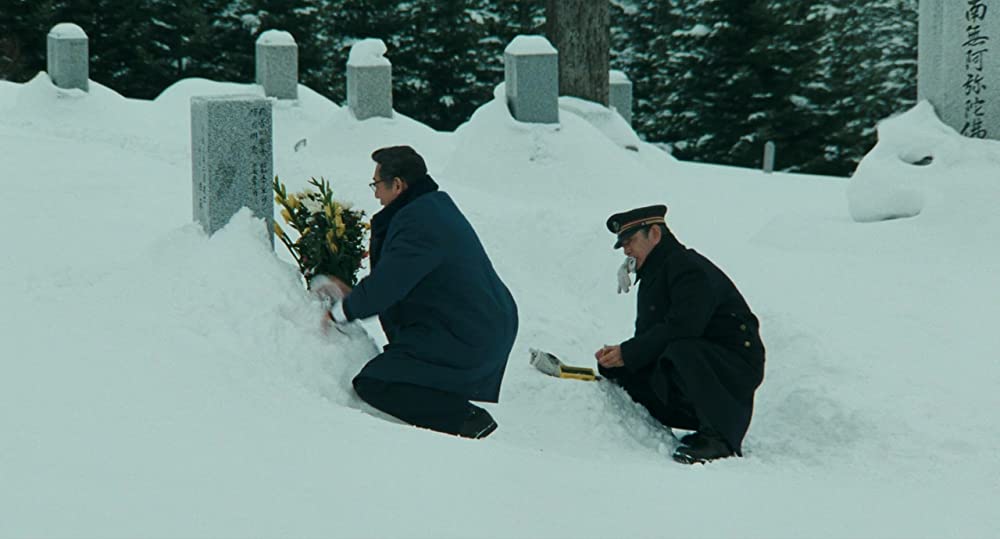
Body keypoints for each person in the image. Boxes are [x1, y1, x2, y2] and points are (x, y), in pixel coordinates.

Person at [325, 145, 518, 439]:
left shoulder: (419, 222)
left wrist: (341, 312)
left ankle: (466, 421)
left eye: (376, 184)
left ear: (398, 184)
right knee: (401, 372)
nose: (375, 193)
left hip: (467, 331)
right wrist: (356, 296)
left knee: (376, 382)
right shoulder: (428, 208)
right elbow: (397, 278)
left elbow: (390, 283)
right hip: (466, 322)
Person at [595, 205, 765, 464]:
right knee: (631, 367)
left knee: (679, 349)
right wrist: (619, 360)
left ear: (654, 233)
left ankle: (719, 437)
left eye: (630, 241)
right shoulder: (657, 271)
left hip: (732, 368)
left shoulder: (687, 267)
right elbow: (651, 336)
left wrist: (629, 352)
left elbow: (683, 327)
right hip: (701, 366)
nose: (627, 250)